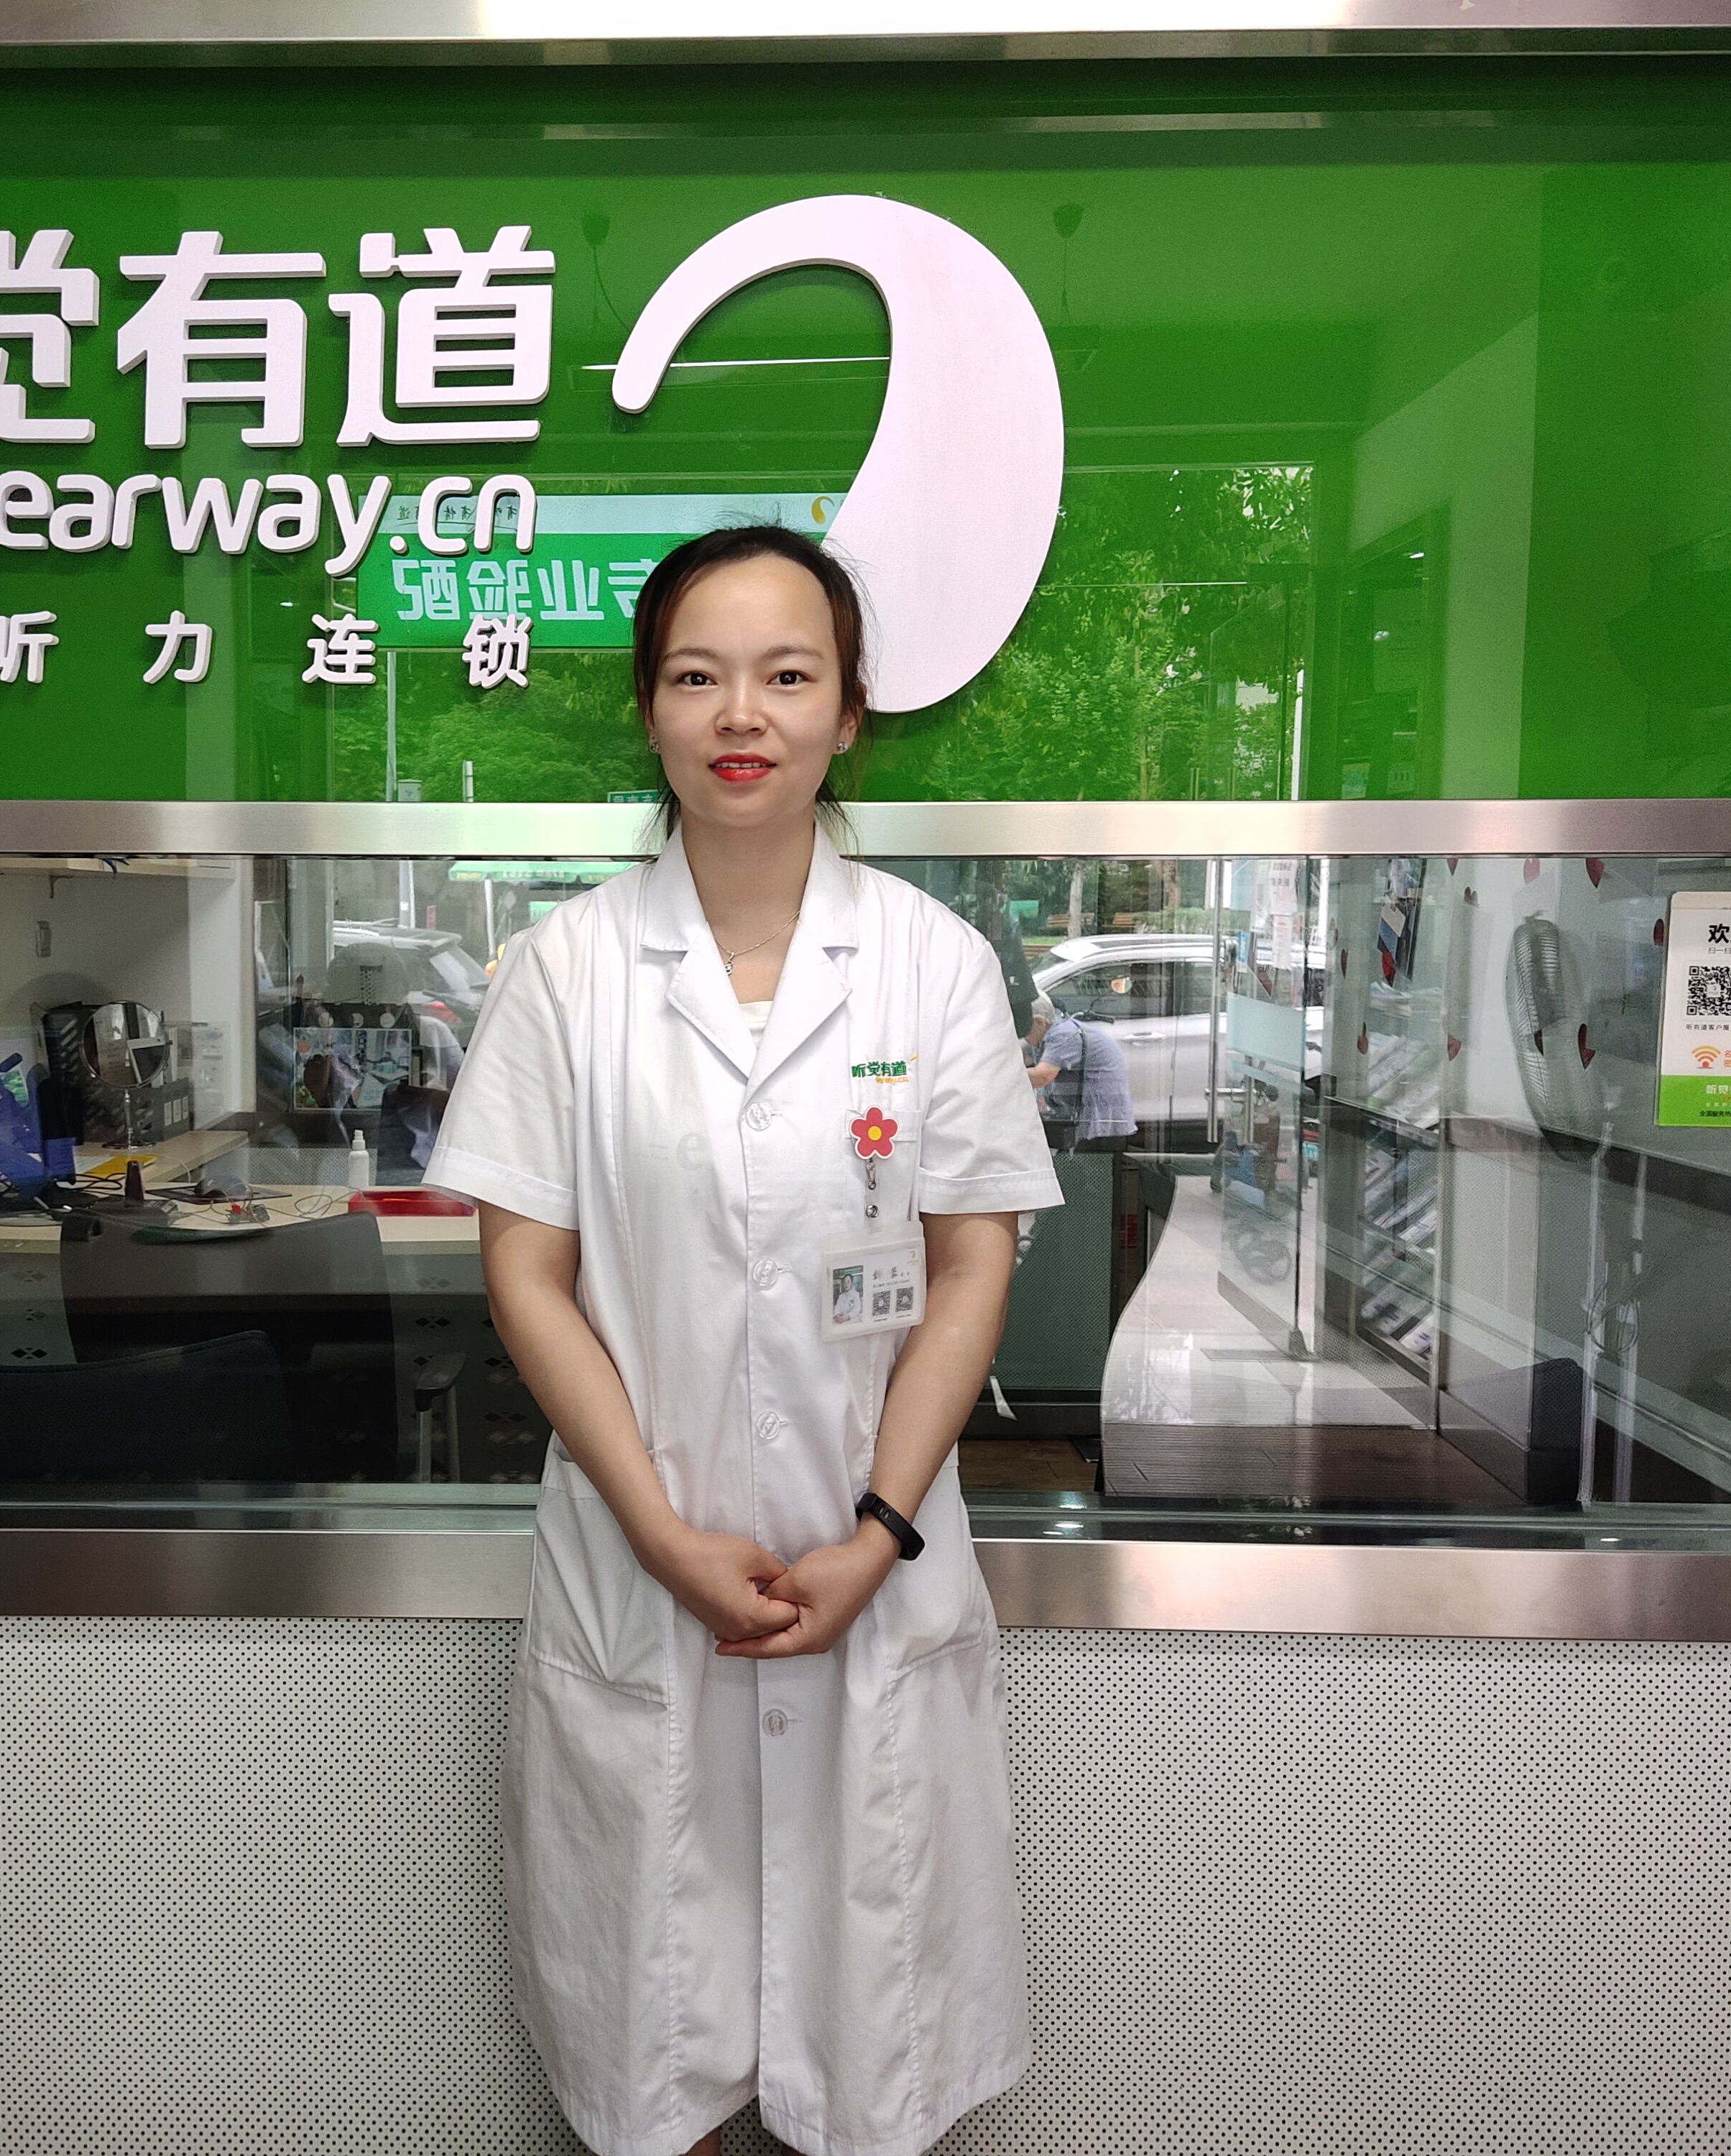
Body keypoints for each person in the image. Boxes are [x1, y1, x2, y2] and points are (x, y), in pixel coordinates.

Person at [425, 525, 1061, 2156]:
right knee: (661, 2048)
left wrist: (877, 1530)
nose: (741, 713)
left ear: (849, 711)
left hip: (876, 1569)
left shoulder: (932, 965)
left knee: (871, 2055)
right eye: (698, 675)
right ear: (649, 708)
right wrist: (659, 1532)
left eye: (788, 674)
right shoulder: (568, 970)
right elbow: (527, 1275)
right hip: (642, 1573)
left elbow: (970, 1265)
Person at [1025, 992, 1140, 1153]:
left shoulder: (1063, 1034)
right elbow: (1020, 1059)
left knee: (1087, 1167)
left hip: (1100, 1123)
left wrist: (1003, 1077)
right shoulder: (1047, 1033)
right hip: (1087, 1118)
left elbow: (1042, 1076)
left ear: (1039, 1021)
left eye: (1024, 1027)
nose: (1022, 1034)